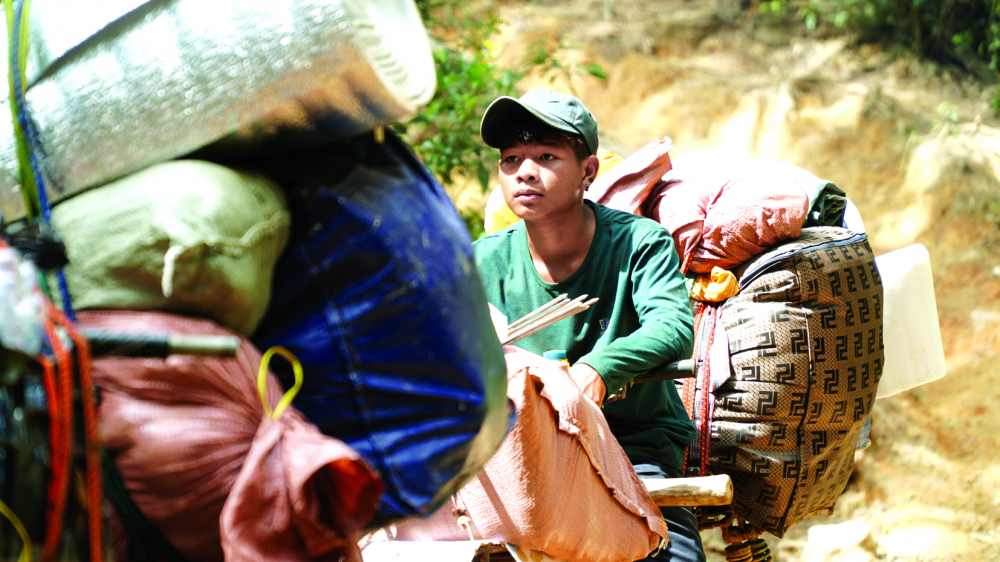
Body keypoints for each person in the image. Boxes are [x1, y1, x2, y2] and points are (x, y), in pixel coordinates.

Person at [472, 88, 706, 562]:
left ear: (588, 171)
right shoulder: (483, 259)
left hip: (630, 445)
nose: (525, 172)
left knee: (673, 553)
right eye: (511, 159)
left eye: (546, 156)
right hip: (522, 455)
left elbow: (673, 325)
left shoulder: (639, 242)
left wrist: (599, 369)